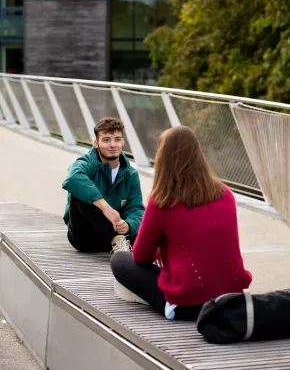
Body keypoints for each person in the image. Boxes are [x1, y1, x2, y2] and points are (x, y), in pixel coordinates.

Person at [111, 126, 252, 321]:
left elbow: (141, 256)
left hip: (188, 306)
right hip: (231, 300)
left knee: (120, 260)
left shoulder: (161, 201)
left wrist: (159, 251)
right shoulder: (225, 194)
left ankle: (150, 297)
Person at [62, 117, 145, 253]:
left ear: (123, 142)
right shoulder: (87, 162)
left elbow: (136, 208)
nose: (112, 145)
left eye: (117, 139)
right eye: (106, 140)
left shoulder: (131, 174)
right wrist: (105, 207)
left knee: (150, 210)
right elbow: (73, 178)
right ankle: (116, 239)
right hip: (86, 238)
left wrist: (129, 225)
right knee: (78, 195)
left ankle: (120, 241)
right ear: (96, 143)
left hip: (121, 238)